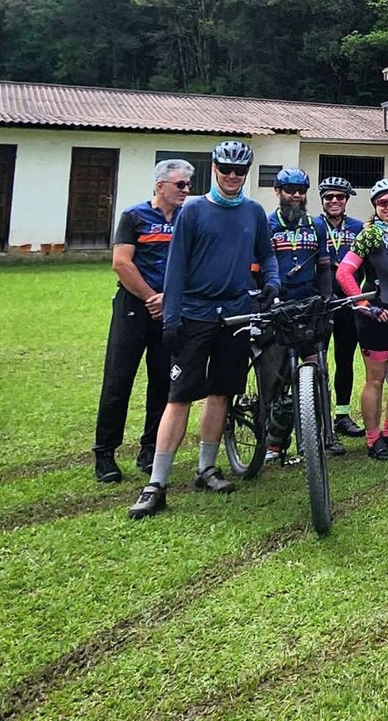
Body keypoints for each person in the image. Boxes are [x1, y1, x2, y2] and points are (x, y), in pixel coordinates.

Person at [128, 140, 279, 519]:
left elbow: (267, 254)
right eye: (225, 169)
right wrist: (172, 319)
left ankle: (206, 469)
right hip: (195, 315)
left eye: (239, 171)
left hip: (235, 316)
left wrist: (272, 281)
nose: (232, 176)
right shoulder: (193, 210)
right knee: (178, 397)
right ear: (213, 168)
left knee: (221, 394)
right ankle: (157, 483)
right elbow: (175, 268)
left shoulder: (254, 212)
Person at [95, 158, 192, 483]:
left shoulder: (187, 218)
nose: (186, 190)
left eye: (188, 185)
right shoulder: (134, 216)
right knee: (118, 380)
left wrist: (169, 299)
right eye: (180, 184)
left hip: (170, 309)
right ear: (160, 185)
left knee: (162, 382)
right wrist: (152, 297)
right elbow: (121, 264)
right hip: (134, 307)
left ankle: (150, 448)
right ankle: (105, 453)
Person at [334, 179, 388, 461]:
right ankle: (373, 440)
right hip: (375, 317)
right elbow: (344, 274)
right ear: (375, 205)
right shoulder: (369, 235)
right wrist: (363, 304)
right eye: (383, 203)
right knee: (376, 380)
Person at [261, 167, 339, 464]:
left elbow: (324, 266)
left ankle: (316, 438)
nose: (295, 196)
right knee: (275, 377)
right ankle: (272, 442)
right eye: (289, 190)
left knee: (316, 370)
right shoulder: (267, 224)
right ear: (277, 192)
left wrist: (327, 296)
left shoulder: (315, 224)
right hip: (276, 307)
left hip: (308, 307)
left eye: (300, 191)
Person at [317, 176, 367, 438]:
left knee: (345, 360)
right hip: (322, 304)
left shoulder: (359, 228)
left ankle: (342, 415)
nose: (334, 201)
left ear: (347, 200)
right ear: (322, 200)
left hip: (349, 302)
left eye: (340, 197)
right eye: (329, 197)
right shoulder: (313, 226)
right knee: (318, 363)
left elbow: (369, 264)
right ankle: (319, 417)